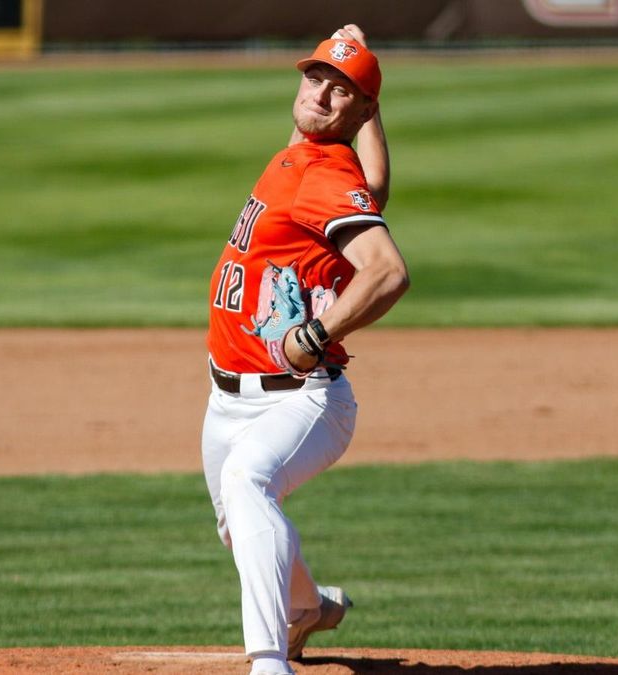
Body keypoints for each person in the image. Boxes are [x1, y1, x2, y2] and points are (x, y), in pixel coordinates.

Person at [201, 24, 409, 675]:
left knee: (247, 482)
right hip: (225, 398)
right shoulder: (312, 157)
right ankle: (308, 607)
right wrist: (366, 95)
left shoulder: (319, 171)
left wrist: (317, 334)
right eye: (316, 76)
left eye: (341, 90)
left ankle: (269, 663)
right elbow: (372, 183)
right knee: (240, 524)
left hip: (302, 397)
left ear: (358, 110)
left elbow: (386, 270)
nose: (320, 93)